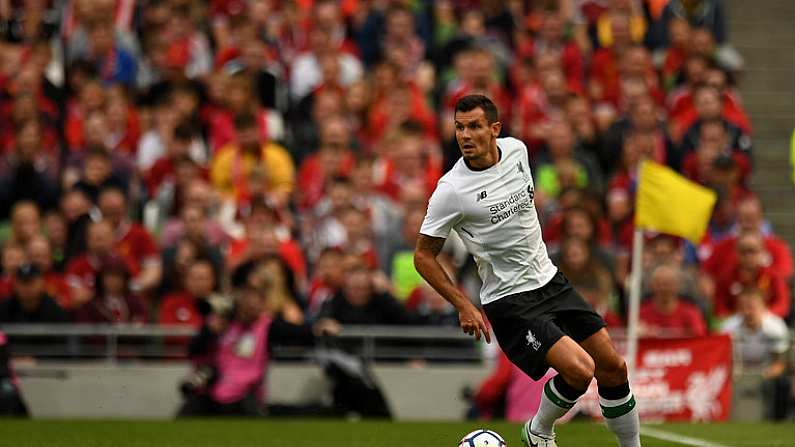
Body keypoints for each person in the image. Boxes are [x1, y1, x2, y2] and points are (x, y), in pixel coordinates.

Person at [414, 95, 638, 447]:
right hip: (510, 301)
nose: (465, 135)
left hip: (550, 279)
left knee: (614, 367)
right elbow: (423, 256)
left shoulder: (518, 151)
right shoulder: (451, 191)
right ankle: (539, 430)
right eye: (459, 127)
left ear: (494, 129)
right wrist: (462, 304)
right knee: (580, 370)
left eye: (474, 126)